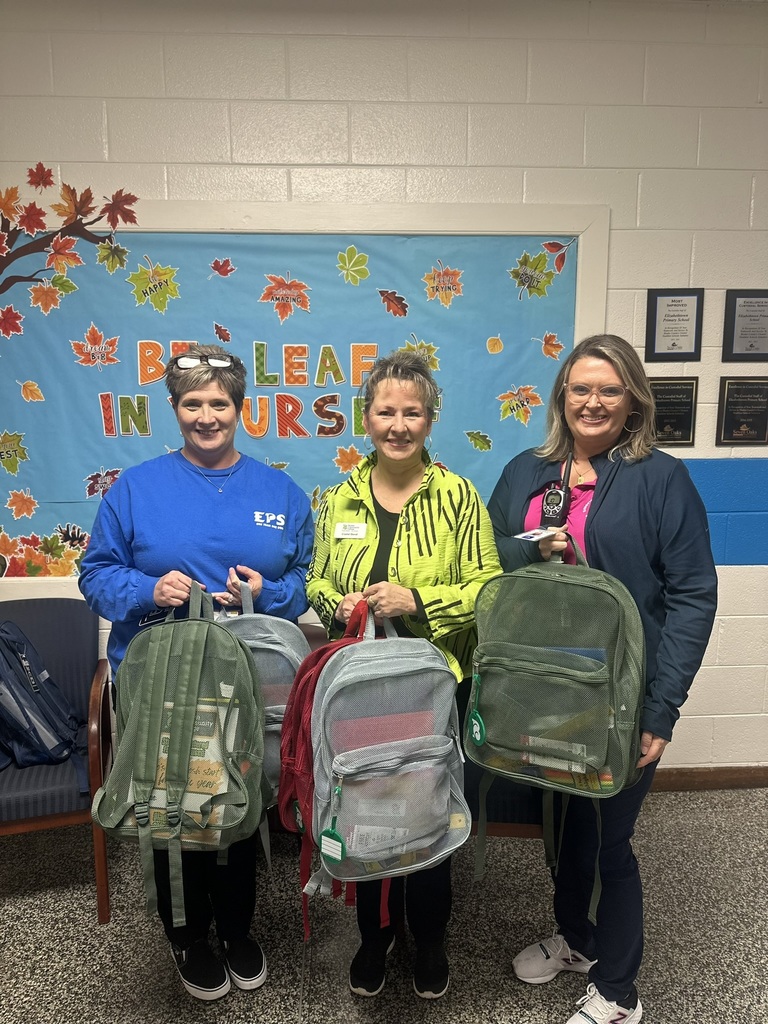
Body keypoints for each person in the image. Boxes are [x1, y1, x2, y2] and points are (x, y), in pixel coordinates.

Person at [487, 334, 717, 1024]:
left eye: (609, 390)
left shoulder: (660, 478)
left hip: (620, 698)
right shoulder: (528, 470)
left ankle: (619, 992)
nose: (593, 402)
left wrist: (661, 709)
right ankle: (580, 942)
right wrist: (530, 547)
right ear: (563, 395)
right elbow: (488, 553)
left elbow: (692, 595)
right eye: (581, 388)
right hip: (542, 691)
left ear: (632, 401)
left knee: (610, 842)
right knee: (565, 830)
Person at [79, 343, 313, 1002]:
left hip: (246, 679)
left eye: (218, 403)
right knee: (175, 806)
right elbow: (94, 575)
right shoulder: (136, 489)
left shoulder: (280, 491)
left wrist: (269, 591)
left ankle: (238, 928)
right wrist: (148, 592)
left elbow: (303, 581)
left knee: (237, 804)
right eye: (192, 404)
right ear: (175, 409)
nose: (205, 416)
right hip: (162, 682)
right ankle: (186, 933)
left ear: (240, 408)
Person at [306, 349, 502, 1000]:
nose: (398, 424)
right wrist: (338, 602)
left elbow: (489, 587)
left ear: (430, 417)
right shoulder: (340, 497)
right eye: (385, 410)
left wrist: (419, 601)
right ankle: (372, 936)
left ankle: (431, 938)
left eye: (411, 411)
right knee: (368, 810)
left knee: (429, 814)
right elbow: (317, 579)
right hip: (362, 687)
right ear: (366, 417)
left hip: (432, 688)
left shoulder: (459, 496)